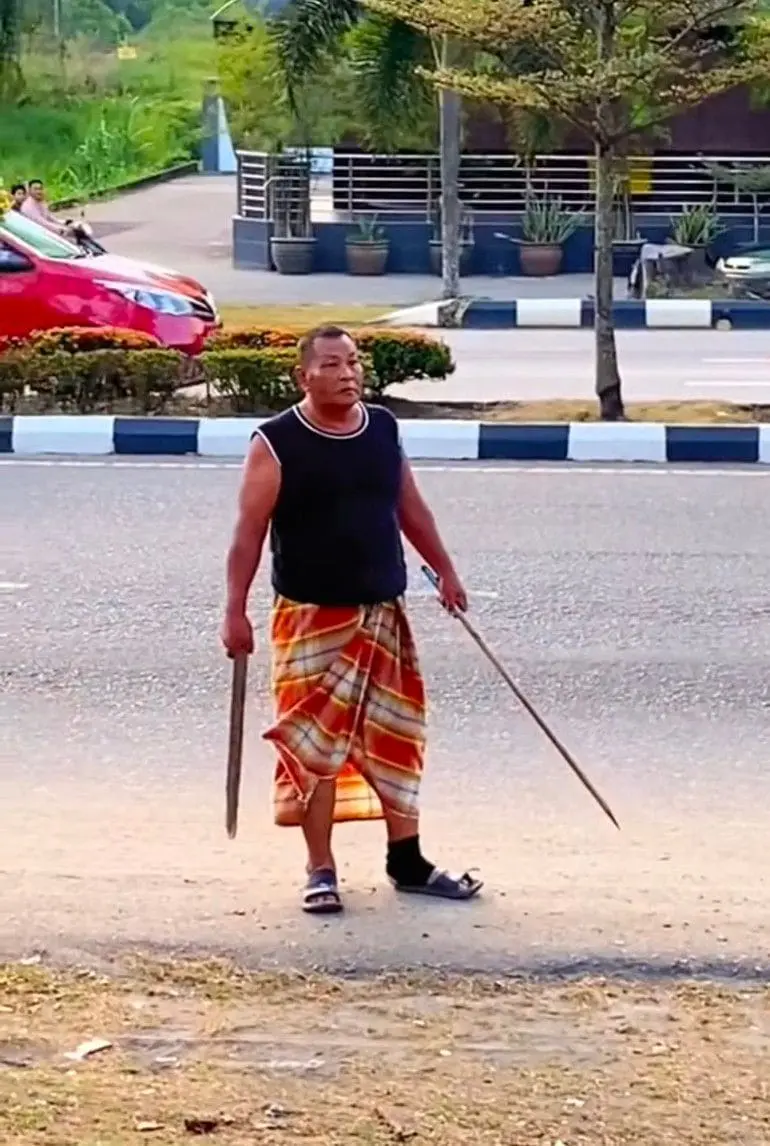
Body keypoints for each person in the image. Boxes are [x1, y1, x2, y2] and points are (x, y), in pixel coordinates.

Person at [221, 325, 483, 915]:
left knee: (397, 735)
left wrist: (445, 571)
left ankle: (407, 861)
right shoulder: (276, 442)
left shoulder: (382, 428)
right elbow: (248, 534)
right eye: (333, 364)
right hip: (310, 617)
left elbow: (410, 507)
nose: (348, 373)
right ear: (304, 376)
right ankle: (320, 868)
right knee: (314, 747)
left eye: (354, 362)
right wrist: (234, 611)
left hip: (383, 613)